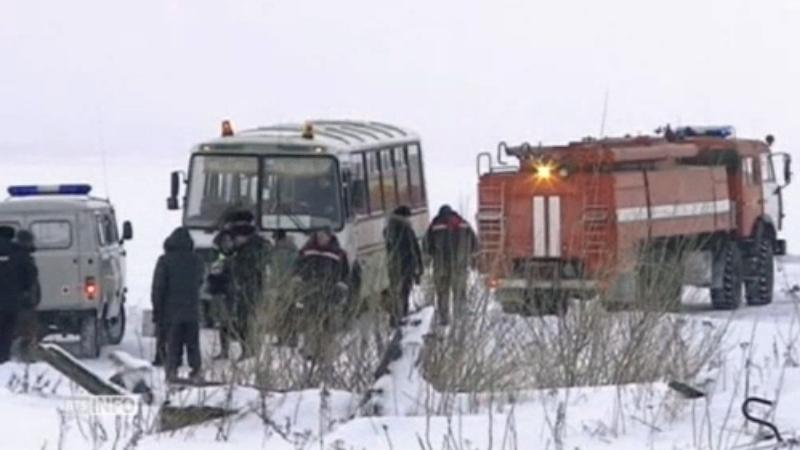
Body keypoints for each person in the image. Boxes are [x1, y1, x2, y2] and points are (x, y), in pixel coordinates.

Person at [151, 227, 205, 381]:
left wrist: (157, 311)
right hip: (192, 310)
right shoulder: (197, 260)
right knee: (193, 345)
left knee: (173, 345)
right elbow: (200, 281)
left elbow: (158, 288)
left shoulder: (165, 261)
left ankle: (172, 374)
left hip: (171, 312)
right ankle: (196, 372)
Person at [293, 227, 349, 365]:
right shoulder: (307, 250)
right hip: (311, 295)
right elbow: (298, 268)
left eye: (323, 236)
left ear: (330, 236)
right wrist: (299, 281)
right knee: (311, 324)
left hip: (329, 296)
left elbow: (344, 275)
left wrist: (340, 291)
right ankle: (310, 353)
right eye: (318, 236)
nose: (321, 238)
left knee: (328, 327)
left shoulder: (338, 253)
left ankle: (327, 355)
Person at [226, 209, 271, 360]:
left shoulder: (253, 249)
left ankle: (249, 350)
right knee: (242, 321)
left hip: (250, 289)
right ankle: (247, 350)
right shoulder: (243, 248)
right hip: (243, 289)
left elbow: (250, 269)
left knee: (247, 321)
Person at [423, 205, 479, 326]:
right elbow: (475, 245)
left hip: (441, 267)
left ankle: (444, 320)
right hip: (460, 266)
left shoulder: (435, 225)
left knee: (442, 294)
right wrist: (470, 259)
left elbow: (426, 247)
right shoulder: (464, 224)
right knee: (460, 293)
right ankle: (460, 320)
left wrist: (427, 263)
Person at [0, 226, 38, 364]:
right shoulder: (19, 253)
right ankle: (4, 361)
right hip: (12, 302)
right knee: (7, 332)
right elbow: (30, 276)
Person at [383, 205, 423, 327]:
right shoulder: (406, 229)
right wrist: (418, 268)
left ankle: (395, 318)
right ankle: (401, 318)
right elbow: (413, 249)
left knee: (396, 293)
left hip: (393, 267)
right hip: (406, 267)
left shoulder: (388, 229)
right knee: (404, 294)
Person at [207, 230, 237, 360]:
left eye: (229, 241)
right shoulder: (218, 256)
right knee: (224, 323)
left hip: (232, 292)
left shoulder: (236, 255)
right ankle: (224, 350)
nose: (227, 244)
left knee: (231, 322)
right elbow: (214, 273)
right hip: (221, 292)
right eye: (225, 241)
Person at [14, 230, 41, 361]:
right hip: (25, 303)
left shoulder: (13, 256)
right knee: (26, 332)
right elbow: (30, 280)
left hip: (16, 302)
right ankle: (26, 358)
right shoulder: (25, 259)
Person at [270, 230, 299, 346]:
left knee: (281, 313)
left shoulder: (278, 252)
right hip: (291, 286)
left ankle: (282, 337)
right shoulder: (294, 250)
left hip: (281, 286)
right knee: (291, 313)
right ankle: (292, 338)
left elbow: (275, 271)